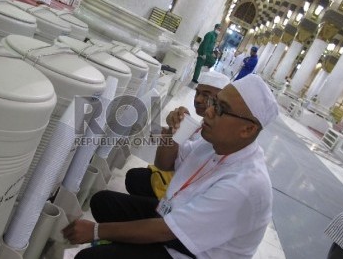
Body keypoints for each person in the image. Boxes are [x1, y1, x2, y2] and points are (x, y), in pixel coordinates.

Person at [63, 74, 279, 259]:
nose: (209, 111)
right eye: (215, 102)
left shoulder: (245, 185)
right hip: (177, 217)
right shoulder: (212, 144)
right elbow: (163, 164)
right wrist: (172, 134)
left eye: (221, 108)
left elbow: (166, 230)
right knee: (103, 202)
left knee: (88, 257)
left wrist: (97, 231)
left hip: (199, 251)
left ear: (247, 130)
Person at [125, 70, 230, 200]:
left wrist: (174, 131)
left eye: (206, 96)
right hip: (177, 180)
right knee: (135, 177)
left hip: (182, 194)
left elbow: (165, 163)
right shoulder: (203, 123)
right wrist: (171, 130)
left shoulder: (217, 136)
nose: (197, 99)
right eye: (197, 92)